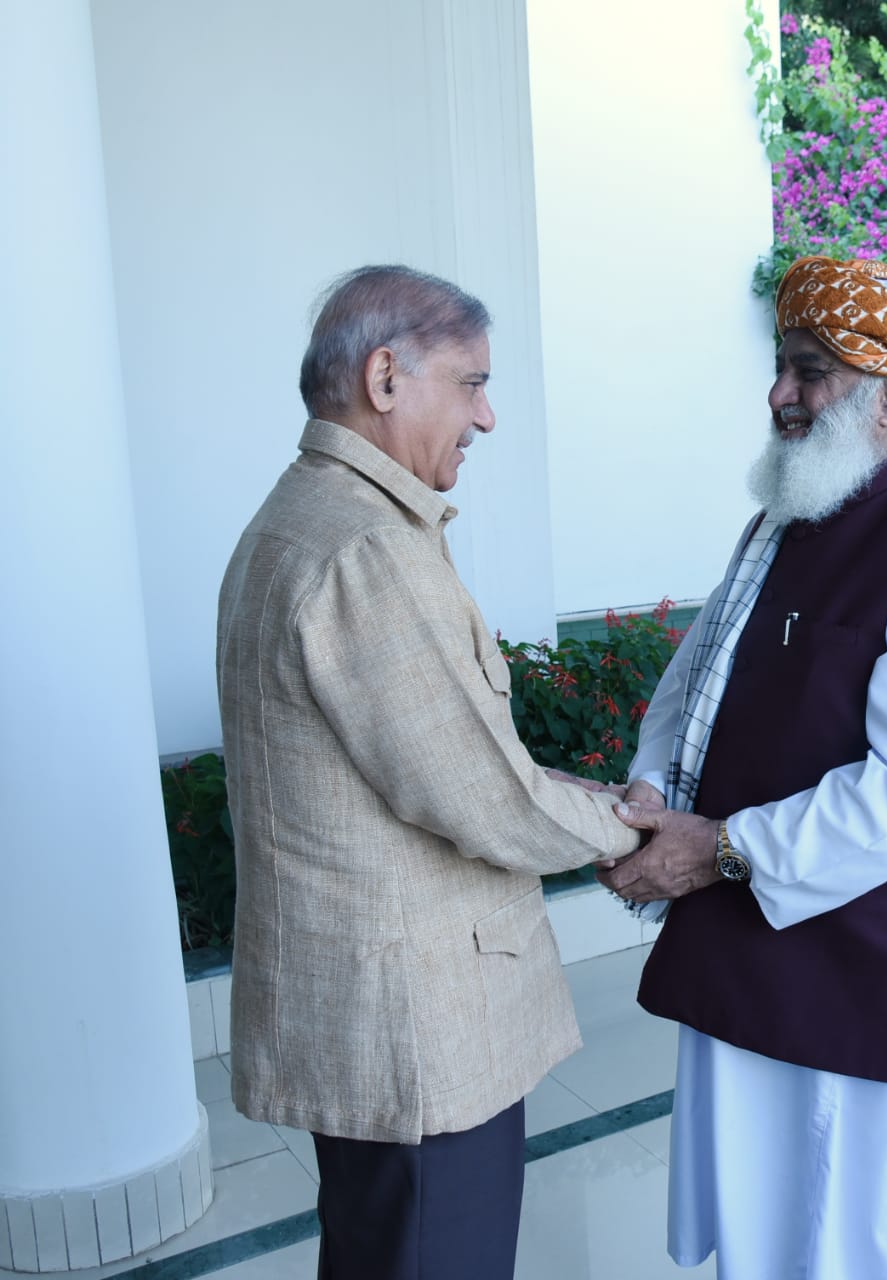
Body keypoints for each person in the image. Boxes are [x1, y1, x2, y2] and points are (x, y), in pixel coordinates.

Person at [598, 255, 887, 1279]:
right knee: (761, 1233)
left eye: (809, 370)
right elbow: (690, 687)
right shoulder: (778, 524)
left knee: (859, 1241)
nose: (778, 393)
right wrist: (652, 792)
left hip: (865, 982)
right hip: (741, 952)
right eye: (781, 366)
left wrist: (715, 851)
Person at [216, 265, 639, 1279]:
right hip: (421, 1039)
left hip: (382, 1024)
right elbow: (477, 794)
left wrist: (581, 799)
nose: (486, 415)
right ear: (385, 375)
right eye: (471, 382)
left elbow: (442, 753)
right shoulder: (363, 548)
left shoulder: (305, 516)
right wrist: (637, 831)